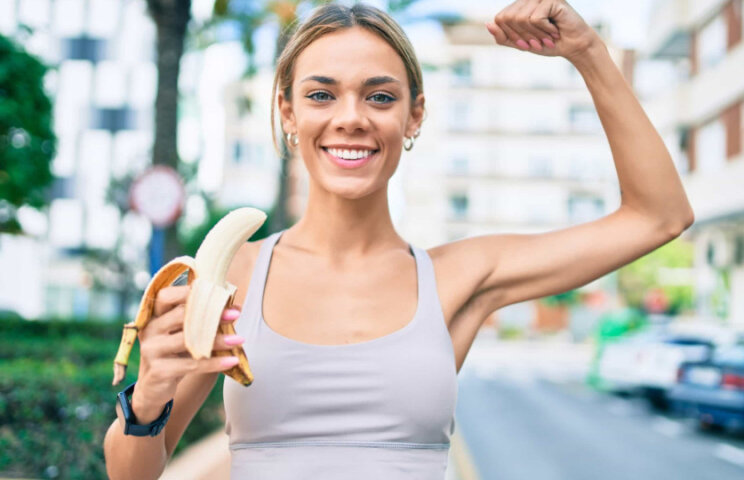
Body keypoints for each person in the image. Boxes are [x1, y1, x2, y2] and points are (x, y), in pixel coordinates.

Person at [103, 1, 694, 478]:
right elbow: (132, 476)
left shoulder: (463, 276)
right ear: (287, 113)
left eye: (381, 96)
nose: (352, 117)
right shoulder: (231, 275)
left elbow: (658, 217)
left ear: (414, 117)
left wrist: (588, 52)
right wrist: (151, 393)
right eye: (320, 94)